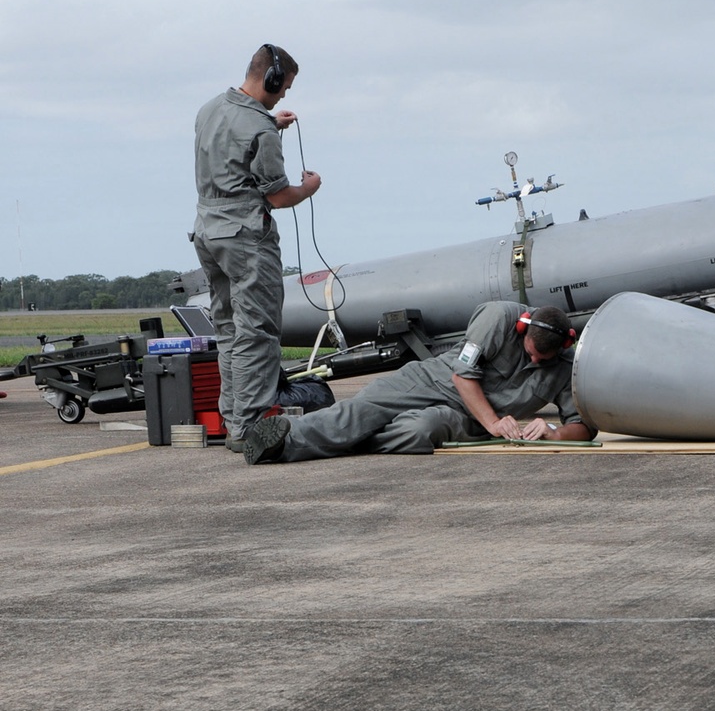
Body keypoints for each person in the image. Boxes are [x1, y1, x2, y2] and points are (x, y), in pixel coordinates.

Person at [242, 301, 595, 464]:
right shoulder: (499, 318)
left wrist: (552, 430)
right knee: (363, 410)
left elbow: (583, 428)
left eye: (542, 361)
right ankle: (283, 438)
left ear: (564, 346)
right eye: (530, 353)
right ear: (523, 329)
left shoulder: (564, 365)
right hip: (431, 381)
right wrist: (494, 421)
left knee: (421, 431)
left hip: (468, 421)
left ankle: (329, 439)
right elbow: (463, 374)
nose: (534, 362)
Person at [192, 45, 321, 451]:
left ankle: (234, 420)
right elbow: (280, 197)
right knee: (259, 330)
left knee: (229, 328)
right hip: (247, 237)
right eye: (284, 87)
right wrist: (309, 188)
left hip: (209, 233)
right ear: (271, 79)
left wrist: (270, 125)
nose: (284, 95)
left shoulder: (210, 109)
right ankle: (250, 426)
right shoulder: (260, 129)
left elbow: (233, 146)